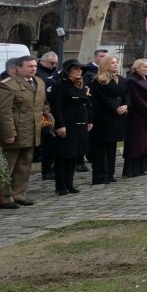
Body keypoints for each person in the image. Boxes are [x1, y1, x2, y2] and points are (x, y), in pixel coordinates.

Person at [0, 55, 49, 206]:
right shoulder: (7, 85)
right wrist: (8, 133)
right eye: (29, 66)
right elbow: (3, 112)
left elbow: (44, 105)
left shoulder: (39, 82)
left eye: (34, 66)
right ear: (18, 68)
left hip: (32, 130)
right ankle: (4, 197)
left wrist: (49, 119)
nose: (33, 69)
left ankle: (19, 193)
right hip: (15, 131)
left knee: (25, 164)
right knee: (8, 165)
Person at [49, 59, 90, 196]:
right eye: (76, 69)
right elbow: (56, 107)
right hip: (67, 124)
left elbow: (86, 104)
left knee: (74, 155)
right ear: (68, 72)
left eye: (80, 69)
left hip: (80, 124)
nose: (79, 71)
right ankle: (60, 186)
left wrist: (89, 120)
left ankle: (69, 183)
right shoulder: (60, 86)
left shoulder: (81, 86)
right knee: (63, 155)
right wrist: (60, 125)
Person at [88, 54, 127, 185]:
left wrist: (126, 105)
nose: (116, 64)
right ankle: (100, 175)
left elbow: (127, 94)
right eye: (112, 63)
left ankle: (110, 173)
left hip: (118, 116)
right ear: (105, 65)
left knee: (112, 146)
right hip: (104, 117)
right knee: (101, 147)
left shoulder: (121, 79)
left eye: (117, 62)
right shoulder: (98, 80)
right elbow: (101, 98)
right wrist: (115, 107)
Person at [123, 59, 147, 178]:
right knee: (136, 142)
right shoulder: (132, 80)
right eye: (145, 67)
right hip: (138, 115)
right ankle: (132, 169)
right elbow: (136, 98)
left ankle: (142, 167)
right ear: (137, 68)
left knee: (146, 142)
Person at [35, 50, 60, 182]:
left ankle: (52, 168)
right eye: (51, 63)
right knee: (47, 144)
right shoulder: (38, 73)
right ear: (43, 61)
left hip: (53, 110)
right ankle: (46, 170)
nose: (53, 65)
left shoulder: (55, 72)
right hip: (43, 111)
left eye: (55, 63)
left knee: (54, 143)